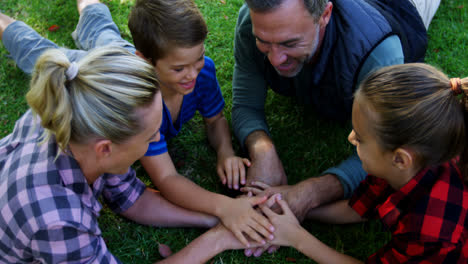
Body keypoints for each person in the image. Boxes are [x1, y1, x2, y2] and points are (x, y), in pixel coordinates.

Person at [0, 0, 275, 247]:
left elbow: (214, 119)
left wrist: (225, 150)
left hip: (122, 55)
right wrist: (223, 209)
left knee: (101, 29)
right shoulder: (136, 111)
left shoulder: (200, 74)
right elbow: (166, 178)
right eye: (179, 68)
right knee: (38, 52)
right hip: (100, 75)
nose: (193, 73)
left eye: (199, 59)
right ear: (145, 60)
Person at [0, 45, 221, 263]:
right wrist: (217, 240)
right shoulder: (59, 220)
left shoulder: (77, 118)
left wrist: (214, 219)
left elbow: (131, 199)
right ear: (105, 149)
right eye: (150, 136)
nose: (156, 140)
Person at [233, 0, 439, 229]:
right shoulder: (254, 21)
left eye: (289, 43)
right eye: (263, 42)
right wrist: (262, 150)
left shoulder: (379, 54)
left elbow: (387, 155)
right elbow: (245, 104)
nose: (275, 59)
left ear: (325, 14)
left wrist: (312, 192)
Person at [252, 63, 468, 263]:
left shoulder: (432, 231)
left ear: (400, 159)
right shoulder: (407, 162)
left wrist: (296, 237)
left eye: (361, 138)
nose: (351, 137)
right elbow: (358, 209)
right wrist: (293, 204)